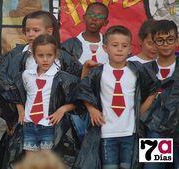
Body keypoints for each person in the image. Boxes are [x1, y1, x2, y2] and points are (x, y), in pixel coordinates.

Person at [0, 10, 81, 168]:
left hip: (54, 124)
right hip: (24, 122)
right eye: (27, 30)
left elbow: (77, 89)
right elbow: (7, 88)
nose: (30, 34)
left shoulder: (63, 60)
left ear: (49, 31)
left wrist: (63, 110)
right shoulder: (17, 59)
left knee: (50, 160)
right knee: (24, 161)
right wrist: (11, 116)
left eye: (35, 30)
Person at [74, 25, 157, 169]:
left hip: (131, 132)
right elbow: (82, 89)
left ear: (130, 49)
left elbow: (154, 89)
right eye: (115, 45)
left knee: (130, 166)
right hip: (107, 132)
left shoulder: (138, 70)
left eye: (124, 46)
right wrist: (92, 108)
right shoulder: (98, 72)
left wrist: (140, 112)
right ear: (105, 48)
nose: (119, 49)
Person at [13, 34, 78, 154]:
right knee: (30, 162)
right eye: (40, 55)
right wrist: (20, 108)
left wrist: (62, 109)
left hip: (48, 126)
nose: (45, 59)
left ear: (56, 55)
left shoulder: (61, 78)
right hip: (29, 125)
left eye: (49, 55)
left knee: (46, 162)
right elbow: (15, 92)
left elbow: (77, 100)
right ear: (33, 55)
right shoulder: (26, 75)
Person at [143, 19, 179, 169]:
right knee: (153, 167)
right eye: (160, 40)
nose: (165, 44)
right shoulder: (145, 70)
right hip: (154, 130)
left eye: (170, 39)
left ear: (177, 40)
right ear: (153, 43)